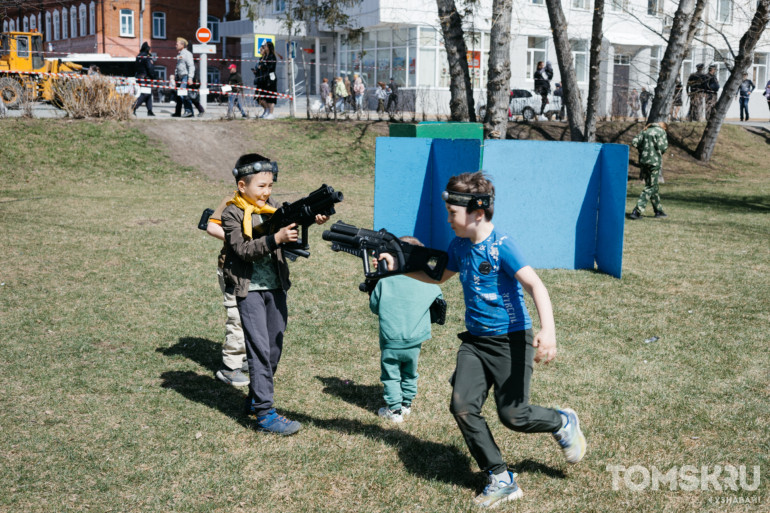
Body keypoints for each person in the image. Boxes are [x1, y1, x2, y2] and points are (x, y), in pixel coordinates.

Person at [380, 172, 586, 508]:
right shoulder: (459, 246)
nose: (448, 220)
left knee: (514, 416)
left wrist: (548, 331)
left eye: (452, 214)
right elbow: (438, 277)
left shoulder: (502, 246)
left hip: (511, 340)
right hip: (475, 342)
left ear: (477, 212)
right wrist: (398, 268)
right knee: (462, 407)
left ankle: (562, 421)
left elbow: (537, 286)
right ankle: (500, 477)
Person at [220, 153, 329, 435]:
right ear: (242, 186)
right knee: (258, 349)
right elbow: (242, 250)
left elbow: (291, 224)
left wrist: (310, 218)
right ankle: (265, 415)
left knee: (274, 348)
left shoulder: (273, 208)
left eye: (270, 186)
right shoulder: (232, 212)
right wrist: (274, 239)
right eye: (261, 186)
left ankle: (255, 398)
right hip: (249, 291)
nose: (267, 192)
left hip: (276, 288)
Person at [369, 236, 443, 424]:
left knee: (391, 374)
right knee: (410, 372)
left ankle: (394, 410)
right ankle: (406, 404)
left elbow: (374, 306)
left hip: (390, 339)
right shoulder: (428, 282)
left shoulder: (385, 281)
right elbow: (438, 304)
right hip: (414, 340)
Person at [206, 198, 249, 387]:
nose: (265, 190)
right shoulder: (232, 202)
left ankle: (247, 358)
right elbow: (212, 227)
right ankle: (230, 367)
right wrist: (240, 239)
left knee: (252, 315)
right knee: (237, 317)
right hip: (232, 269)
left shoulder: (267, 203)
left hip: (254, 271)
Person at [628, 122, 668, 220]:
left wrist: (643, 149)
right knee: (650, 187)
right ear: (664, 127)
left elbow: (634, 142)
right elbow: (663, 147)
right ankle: (637, 211)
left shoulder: (645, 130)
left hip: (644, 162)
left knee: (653, 186)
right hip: (654, 162)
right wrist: (656, 151)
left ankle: (658, 211)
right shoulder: (661, 132)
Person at [254, 41, 278, 119]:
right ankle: (267, 112)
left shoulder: (272, 56)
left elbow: (271, 67)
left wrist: (263, 66)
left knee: (271, 97)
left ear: (269, 47)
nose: (264, 47)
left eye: (265, 46)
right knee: (265, 97)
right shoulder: (265, 56)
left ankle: (271, 113)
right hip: (265, 78)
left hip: (271, 78)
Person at [172, 37, 195, 118]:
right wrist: (175, 77)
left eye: (177, 44)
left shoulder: (187, 54)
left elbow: (191, 66)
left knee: (183, 94)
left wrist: (190, 77)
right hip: (180, 77)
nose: (175, 45)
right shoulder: (179, 54)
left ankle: (188, 111)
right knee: (179, 95)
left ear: (182, 45)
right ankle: (178, 112)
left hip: (185, 76)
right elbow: (178, 66)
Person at [133, 42, 156, 117]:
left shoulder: (138, 56)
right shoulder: (147, 56)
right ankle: (133, 108)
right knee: (145, 94)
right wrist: (153, 77)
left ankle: (150, 110)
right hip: (145, 78)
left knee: (148, 94)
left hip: (139, 76)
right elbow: (150, 68)